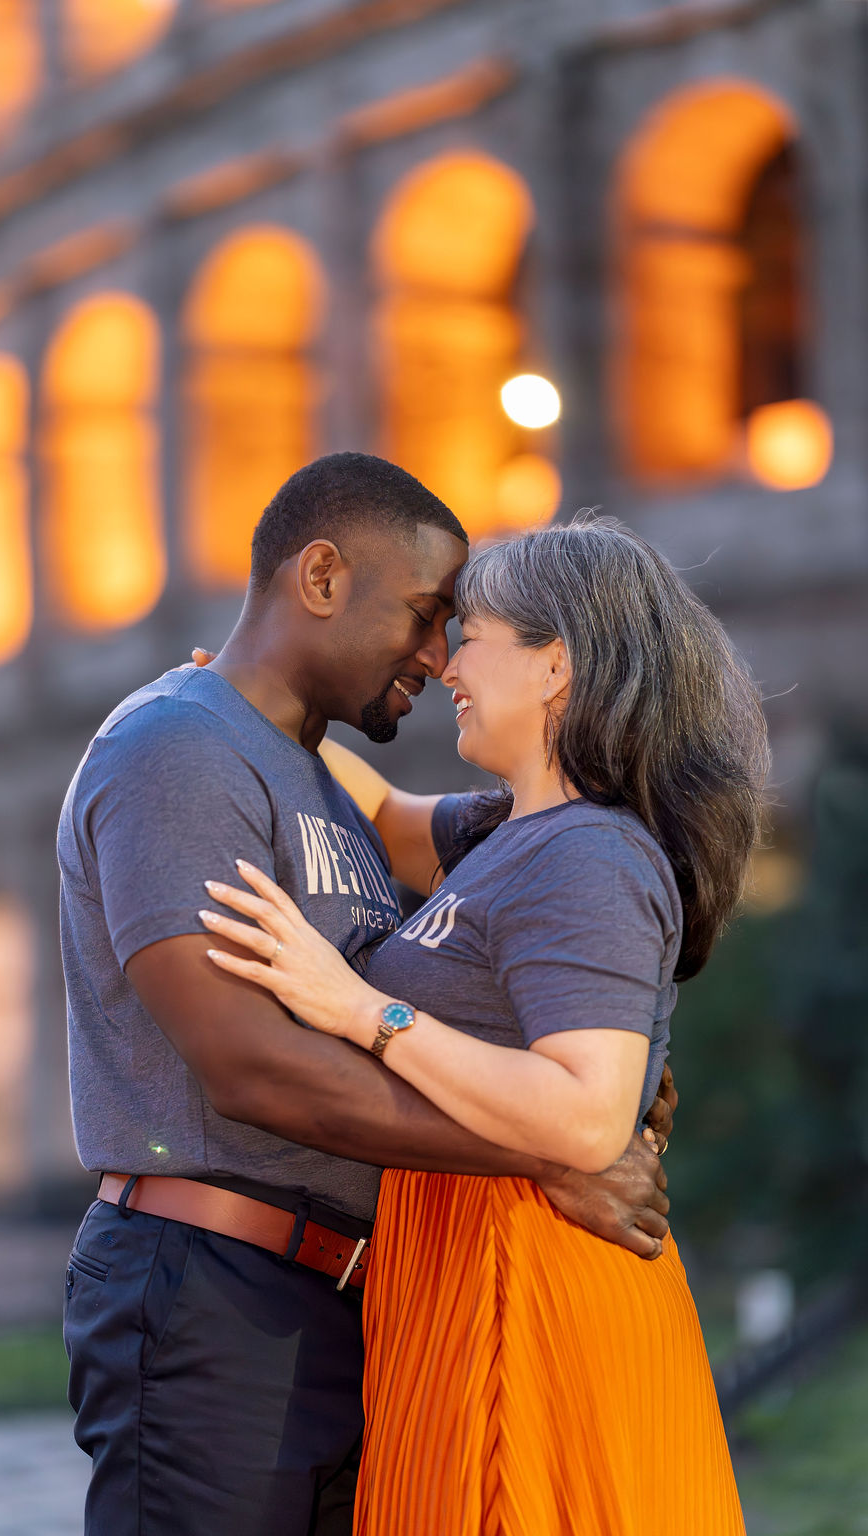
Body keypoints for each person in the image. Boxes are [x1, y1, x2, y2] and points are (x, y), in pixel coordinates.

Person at [58, 455, 674, 1536]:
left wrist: (597, 1085)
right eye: (426, 615)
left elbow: (544, 872)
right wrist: (551, 1149)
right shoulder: (178, 751)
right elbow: (249, 1065)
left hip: (351, 1300)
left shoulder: (316, 777)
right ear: (324, 577)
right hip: (215, 1289)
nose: (437, 657)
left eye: (458, 631)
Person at [200, 515, 768, 1535]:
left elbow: (589, 1119)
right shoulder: (510, 830)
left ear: (556, 664)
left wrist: (360, 1008)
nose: (445, 661)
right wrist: (241, 694)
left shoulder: (591, 856)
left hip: (526, 1290)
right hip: (452, 1275)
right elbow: (372, 815)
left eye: (473, 636)